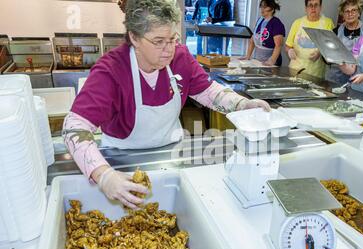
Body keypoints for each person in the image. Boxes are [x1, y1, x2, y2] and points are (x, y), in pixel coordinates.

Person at [62, 0, 270, 209]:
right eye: (158, 41)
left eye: (172, 39)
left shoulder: (180, 57)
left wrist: (242, 104)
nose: (168, 49)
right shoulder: (112, 69)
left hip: (171, 157)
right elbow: (74, 126)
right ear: (134, 37)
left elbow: (208, 91)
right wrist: (104, 175)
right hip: (121, 161)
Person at [325, 0, 363, 85]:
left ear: (359, 12)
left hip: (357, 80)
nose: (350, 14)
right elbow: (327, 57)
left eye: (354, 10)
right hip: (335, 78)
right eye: (347, 11)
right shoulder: (335, 32)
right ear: (342, 14)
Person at [285, 0, 335, 78]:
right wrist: (290, 51)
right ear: (306, 8)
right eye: (310, 5)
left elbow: (332, 47)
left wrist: (320, 52)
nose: (313, 8)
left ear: (321, 7)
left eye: (316, 5)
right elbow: (288, 46)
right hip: (295, 70)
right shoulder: (297, 23)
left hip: (316, 73)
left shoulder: (327, 23)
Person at [241, 0, 285, 66]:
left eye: (265, 7)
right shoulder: (260, 20)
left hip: (272, 62)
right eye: (261, 7)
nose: (262, 9)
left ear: (272, 9)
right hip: (258, 60)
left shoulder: (276, 23)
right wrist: (248, 56)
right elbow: (252, 40)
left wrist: (272, 60)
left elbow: (278, 45)